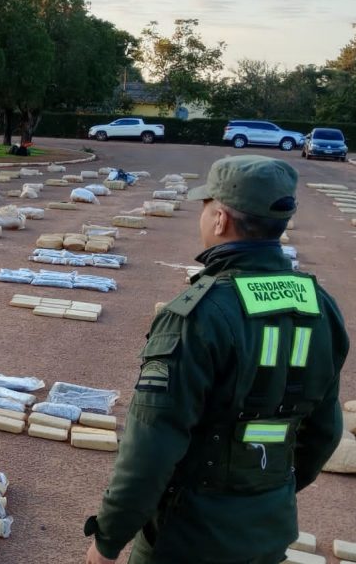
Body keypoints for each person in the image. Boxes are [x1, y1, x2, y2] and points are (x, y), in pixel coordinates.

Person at [84, 155, 350, 564]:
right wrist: (266, 492)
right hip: (266, 529)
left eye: (205, 206)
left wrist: (107, 538)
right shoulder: (320, 306)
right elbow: (324, 432)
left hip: (187, 537)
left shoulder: (198, 315)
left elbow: (152, 446)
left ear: (221, 218)